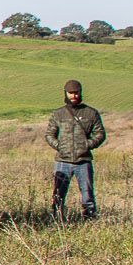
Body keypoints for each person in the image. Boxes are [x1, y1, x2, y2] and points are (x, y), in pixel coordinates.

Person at [46, 79, 107, 219]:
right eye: (70, 93)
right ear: (65, 93)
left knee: (88, 196)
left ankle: (90, 220)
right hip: (62, 161)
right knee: (58, 196)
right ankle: (57, 221)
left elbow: (100, 134)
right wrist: (60, 147)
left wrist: (87, 146)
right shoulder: (58, 114)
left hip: (83, 161)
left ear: (80, 93)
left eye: (76, 93)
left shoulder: (91, 113)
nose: (73, 96)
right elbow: (49, 135)